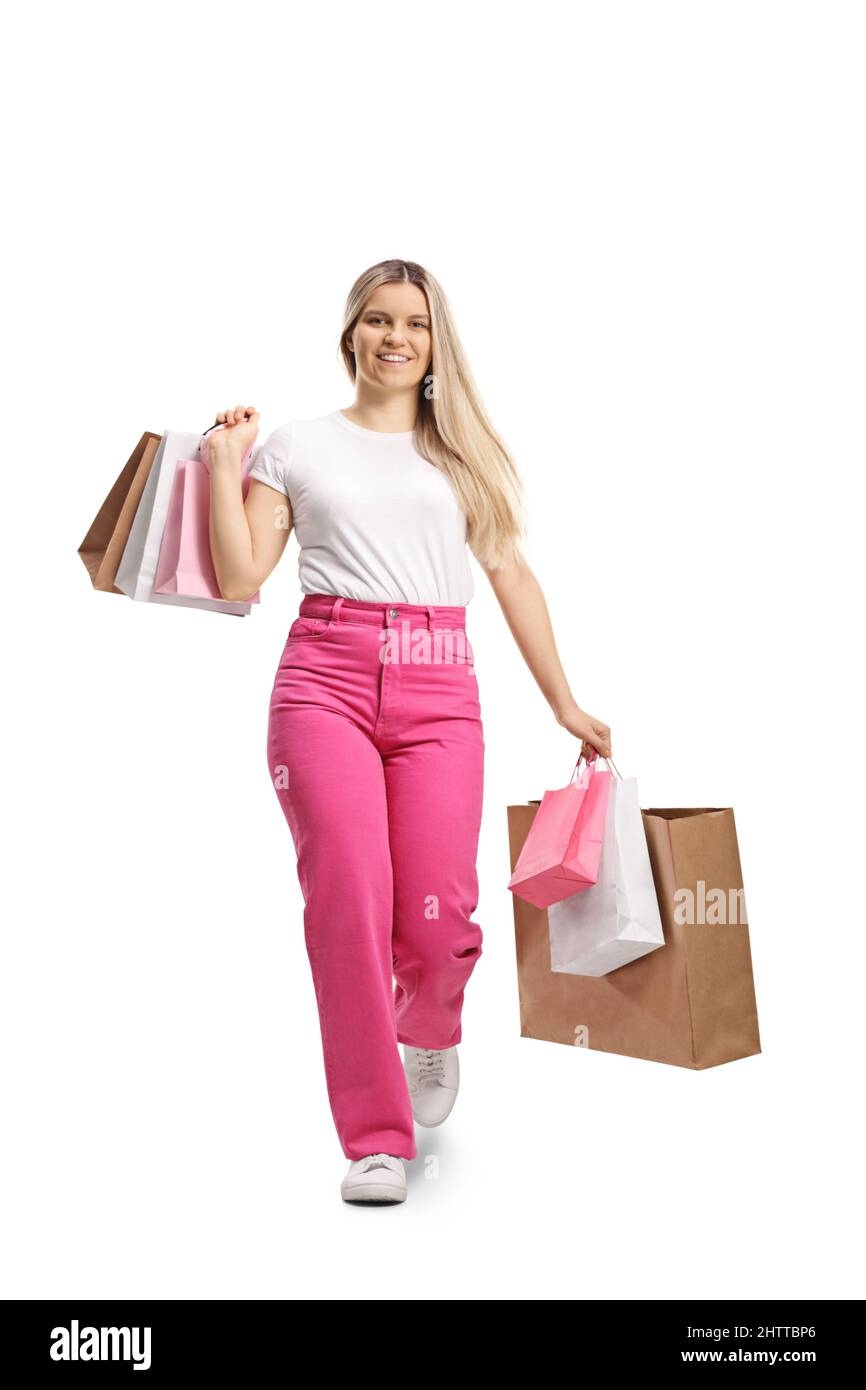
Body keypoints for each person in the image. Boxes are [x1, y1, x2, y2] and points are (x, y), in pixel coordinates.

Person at [208, 258, 612, 1205]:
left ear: (437, 345)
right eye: (379, 320)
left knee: (438, 912)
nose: (396, 337)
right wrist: (229, 463)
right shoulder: (298, 447)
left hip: (441, 682)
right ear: (350, 333)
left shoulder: (461, 454)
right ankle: (375, 1139)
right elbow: (238, 579)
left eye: (416, 324)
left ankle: (429, 1025)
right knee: (347, 904)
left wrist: (563, 699)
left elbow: (511, 577)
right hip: (323, 679)